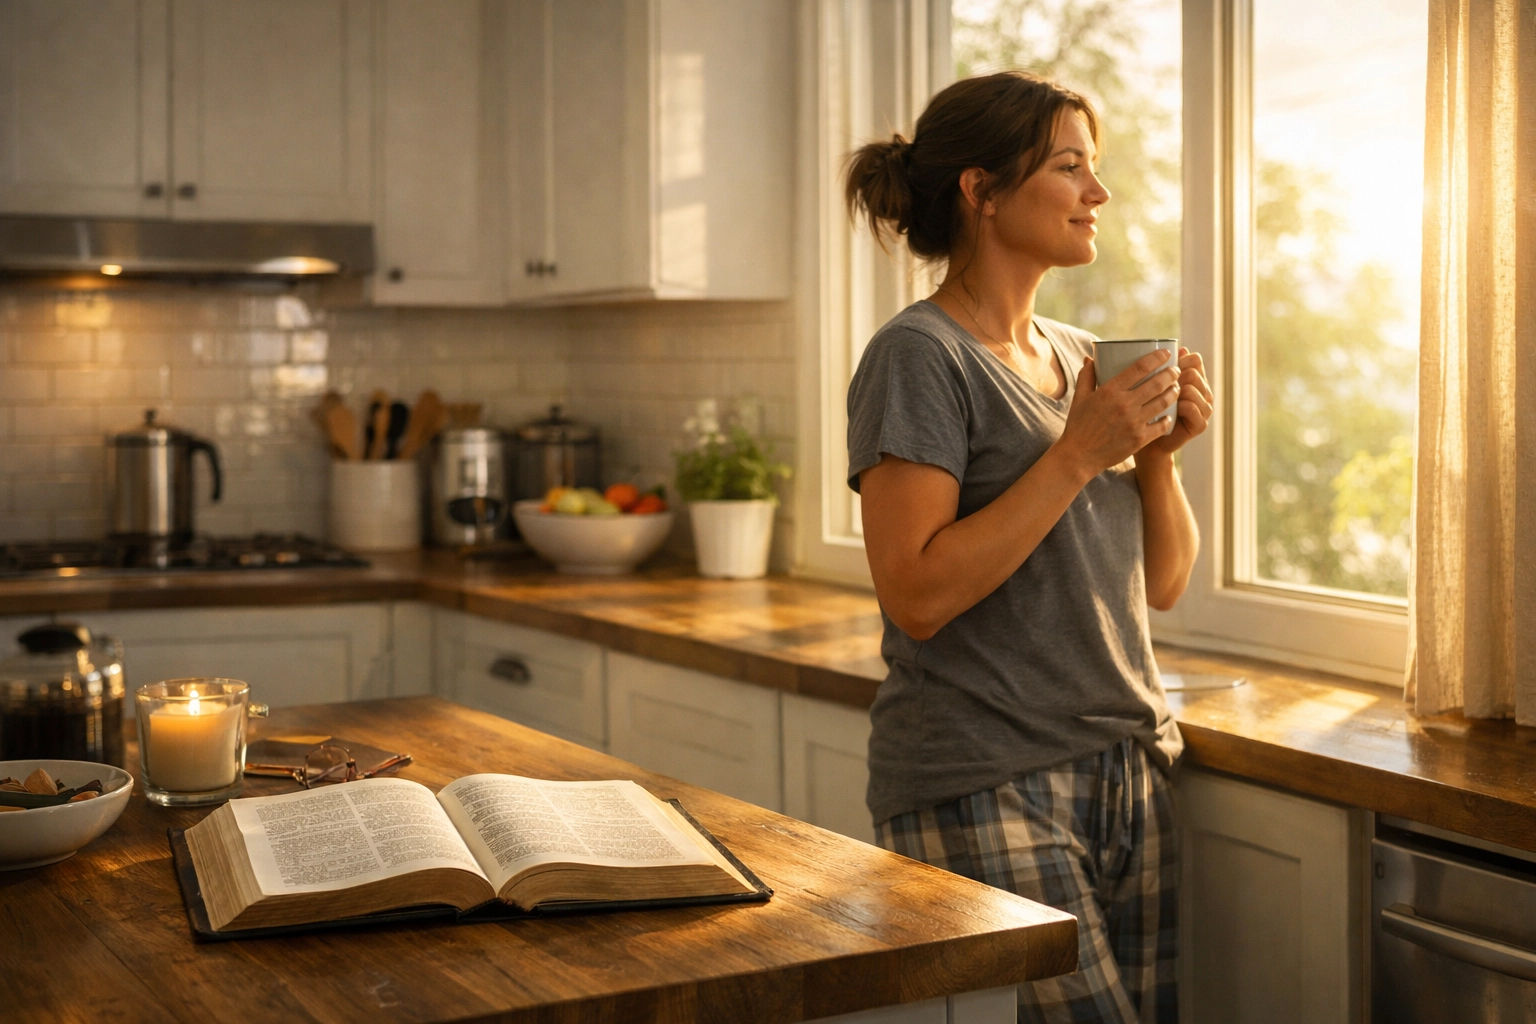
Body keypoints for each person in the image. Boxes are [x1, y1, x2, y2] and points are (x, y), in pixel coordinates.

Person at [843, 70, 1212, 1023]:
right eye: (1070, 167)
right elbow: (915, 594)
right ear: (982, 189)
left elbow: (1164, 586)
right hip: (984, 775)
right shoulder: (919, 356)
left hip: (1128, 767)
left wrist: (1158, 459)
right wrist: (1080, 454)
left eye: (1097, 169)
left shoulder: (1082, 355)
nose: (1099, 193)